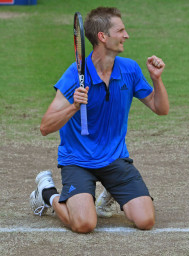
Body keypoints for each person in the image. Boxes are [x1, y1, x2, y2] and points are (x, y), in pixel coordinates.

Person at [29, 7, 169, 233]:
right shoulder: (74, 74)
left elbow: (160, 109)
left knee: (146, 221)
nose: (127, 35)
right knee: (84, 224)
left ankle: (108, 195)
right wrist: (73, 107)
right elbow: (45, 127)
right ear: (103, 37)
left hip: (114, 158)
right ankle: (47, 194)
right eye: (121, 30)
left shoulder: (130, 69)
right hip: (77, 160)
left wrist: (157, 80)